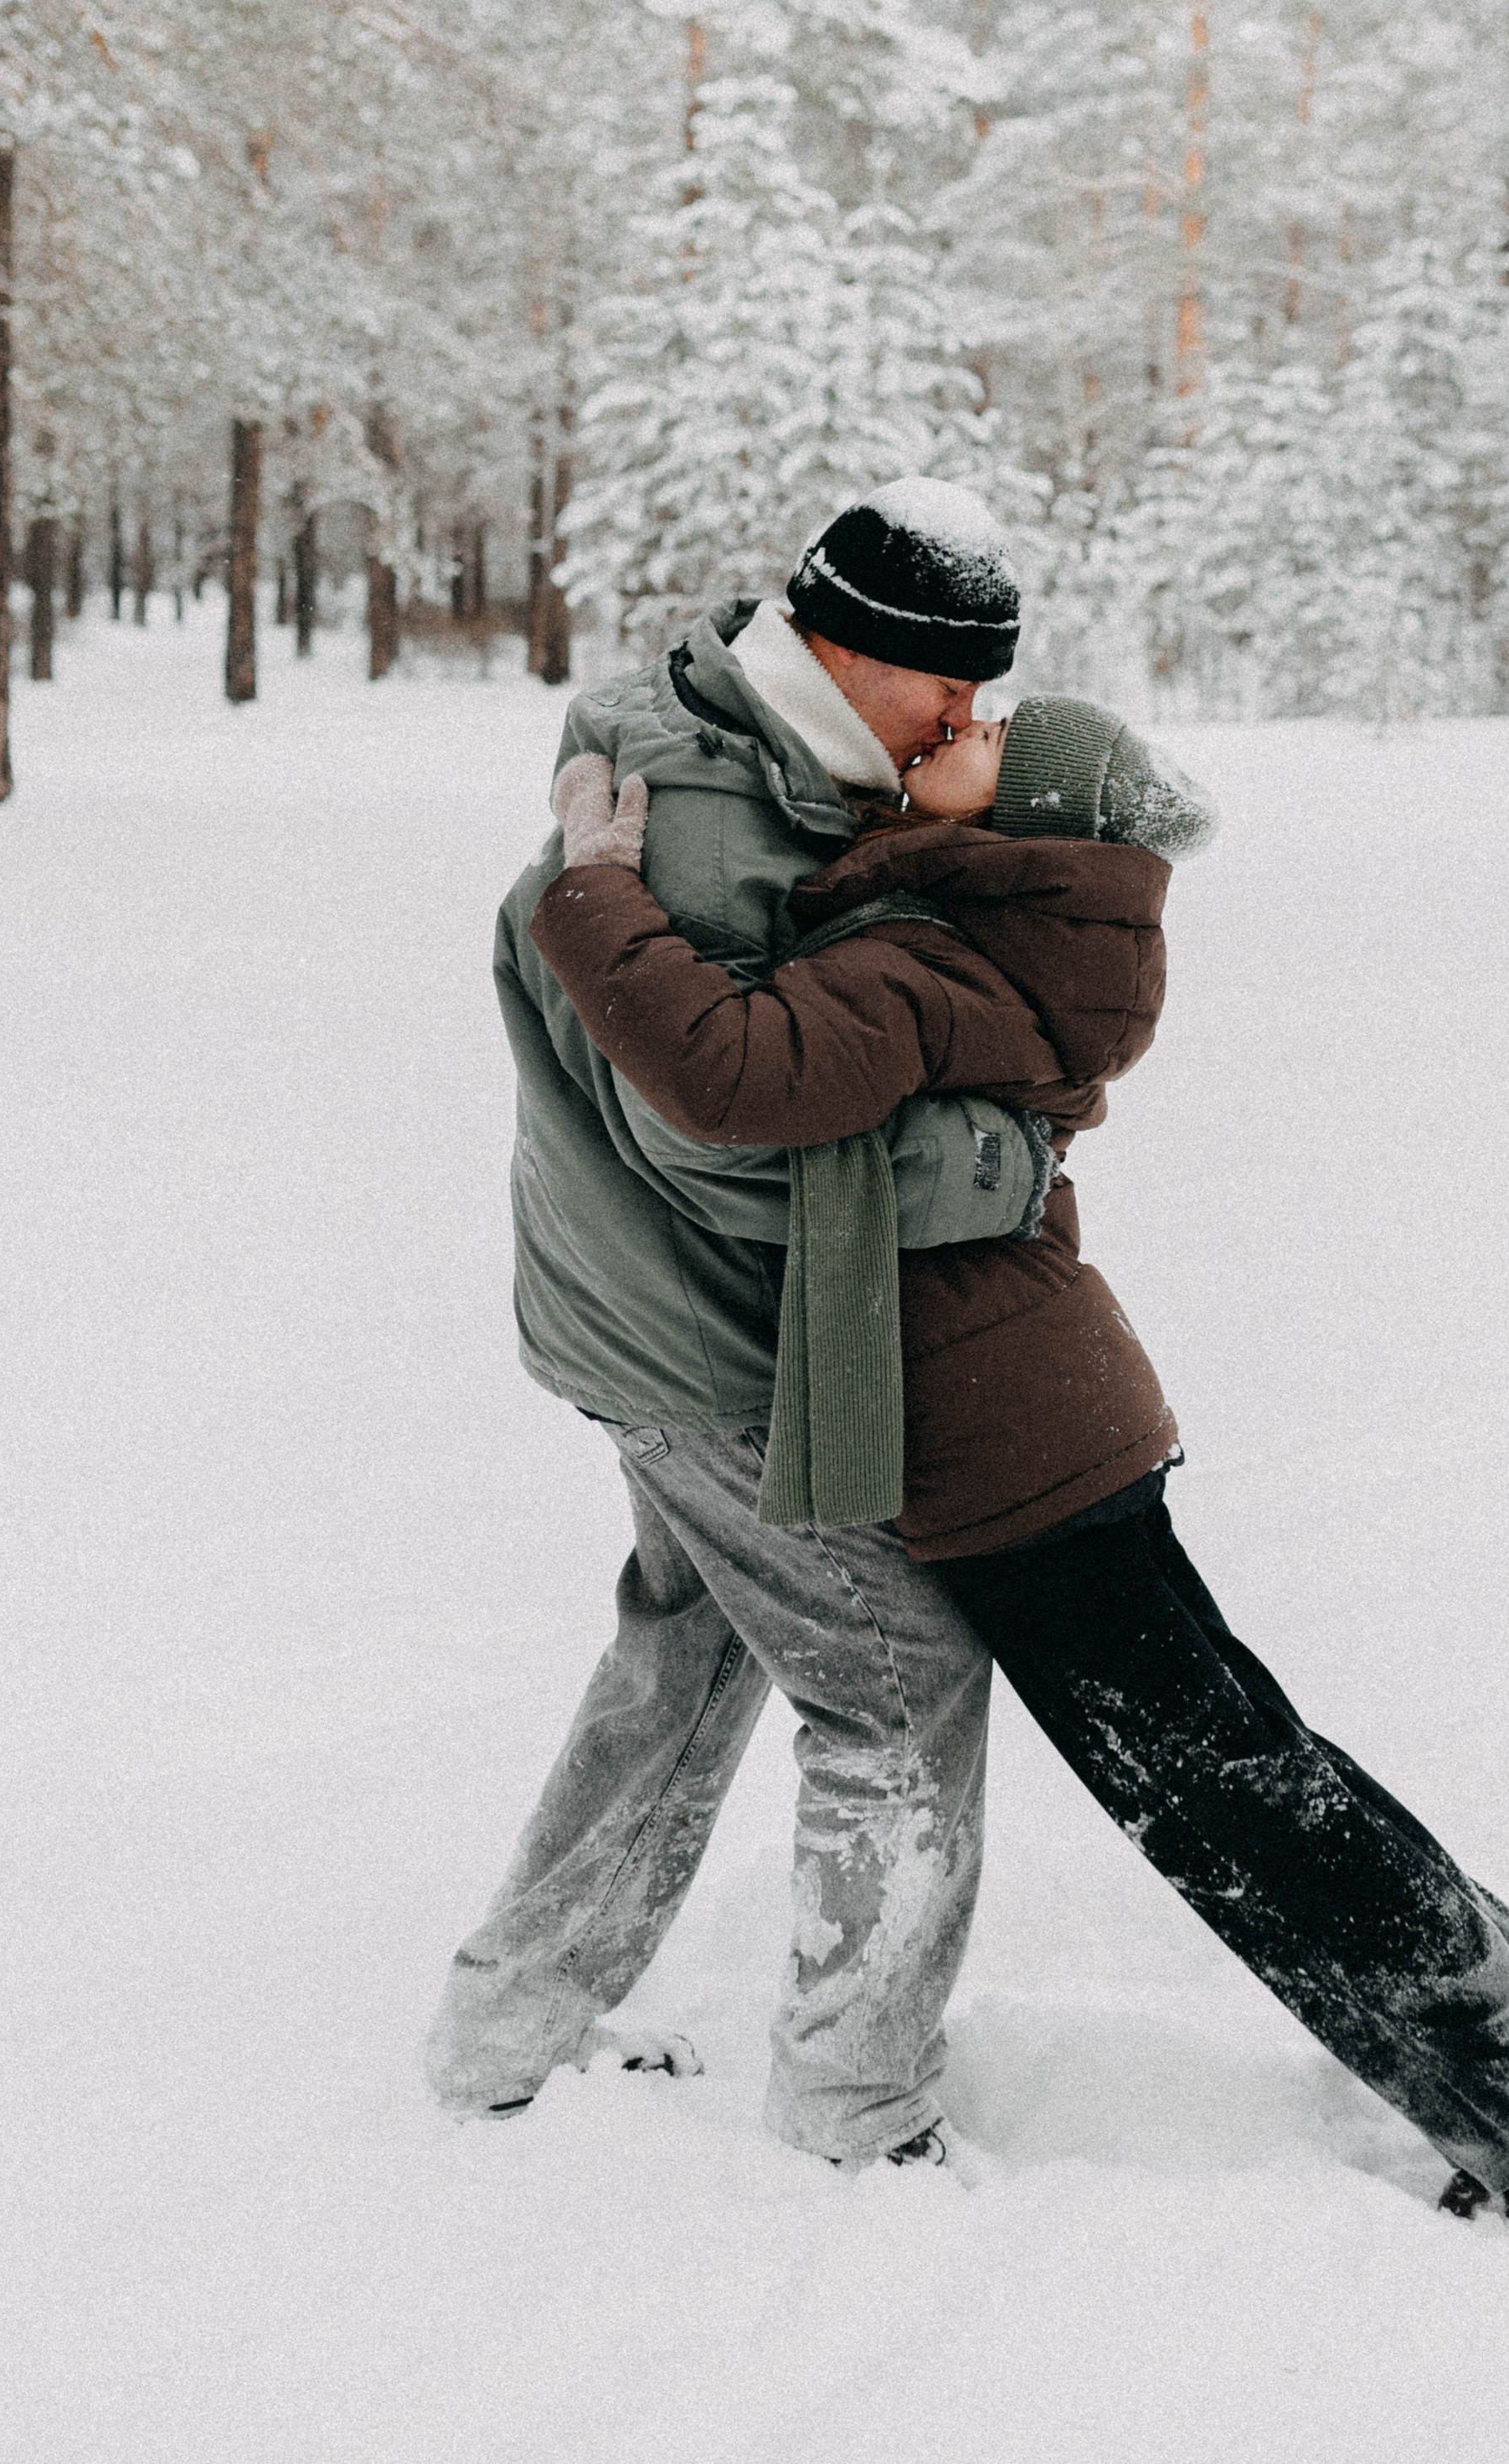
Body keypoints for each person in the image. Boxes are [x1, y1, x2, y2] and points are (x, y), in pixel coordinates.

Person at [528, 692, 1509, 2230]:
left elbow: (736, 1073)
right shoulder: (1007, 919)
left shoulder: (938, 949)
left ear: (1022, 820)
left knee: (1226, 1795)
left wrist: (594, 893)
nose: (964, 723)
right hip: (1045, 1413)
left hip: (1013, 1448)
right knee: (1246, 1766)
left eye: (995, 744)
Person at [428, 481, 1052, 2169]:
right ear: (853, 653)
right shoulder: (709, 829)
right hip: (693, 1331)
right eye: (951, 687)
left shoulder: (752, 755)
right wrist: (989, 1157)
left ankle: (513, 2020)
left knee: (689, 1642)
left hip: (628, 1307)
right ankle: (860, 2112)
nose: (969, 723)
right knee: (898, 1680)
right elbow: (720, 1142)